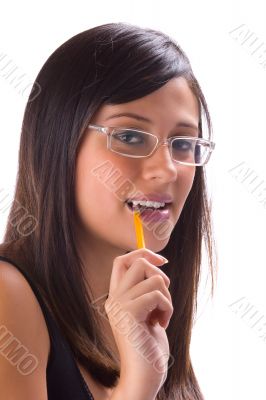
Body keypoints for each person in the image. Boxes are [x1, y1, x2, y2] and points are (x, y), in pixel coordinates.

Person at [0, 22, 217, 400]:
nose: (166, 169)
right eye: (130, 136)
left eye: (183, 143)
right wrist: (137, 386)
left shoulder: (150, 323)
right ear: (58, 141)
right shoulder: (8, 297)